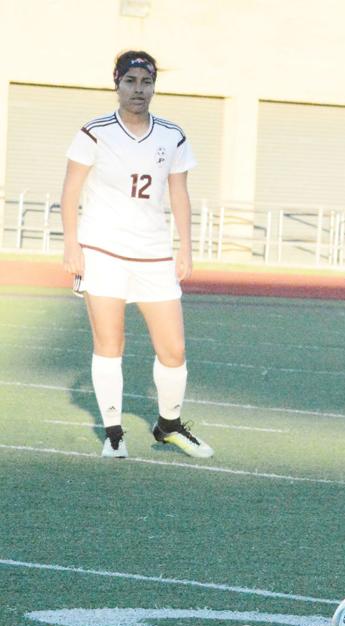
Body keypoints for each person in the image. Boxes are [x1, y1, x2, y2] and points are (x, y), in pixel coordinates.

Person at [61, 51, 212, 459]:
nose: (138, 90)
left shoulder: (172, 135)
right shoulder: (94, 132)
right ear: (117, 83)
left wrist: (185, 246)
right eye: (130, 81)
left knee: (174, 349)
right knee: (110, 344)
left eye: (146, 82)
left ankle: (169, 426)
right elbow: (71, 192)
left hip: (154, 253)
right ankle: (114, 433)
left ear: (154, 86)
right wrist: (71, 244)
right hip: (103, 250)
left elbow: (179, 193)